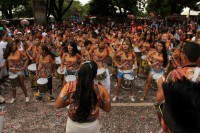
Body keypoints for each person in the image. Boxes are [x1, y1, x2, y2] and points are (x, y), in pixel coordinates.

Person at [55, 61, 111, 133]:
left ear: (79, 72)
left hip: (73, 126)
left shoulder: (69, 86)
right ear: (95, 74)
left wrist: (70, 100)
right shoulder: (101, 89)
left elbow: (57, 105)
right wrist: (97, 101)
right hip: (92, 127)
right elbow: (108, 109)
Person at [112, 37, 137, 101]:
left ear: (129, 45)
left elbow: (135, 58)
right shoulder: (120, 53)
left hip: (130, 70)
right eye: (123, 44)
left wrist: (135, 64)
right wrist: (118, 65)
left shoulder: (132, 52)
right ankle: (116, 95)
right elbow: (114, 59)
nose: (125, 46)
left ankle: (131, 96)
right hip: (122, 71)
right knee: (118, 84)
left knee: (132, 84)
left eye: (126, 44)